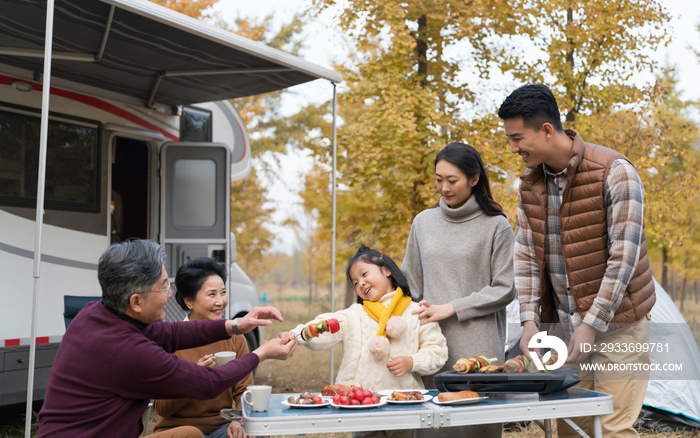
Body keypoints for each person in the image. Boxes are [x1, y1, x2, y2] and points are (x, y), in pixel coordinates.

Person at [498, 84, 655, 438]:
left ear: (547, 130)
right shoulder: (528, 185)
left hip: (619, 324)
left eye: (518, 138)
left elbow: (623, 259)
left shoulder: (614, 171)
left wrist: (591, 324)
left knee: (612, 429)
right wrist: (528, 321)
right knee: (573, 427)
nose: (513, 148)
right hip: (567, 327)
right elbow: (524, 255)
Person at [38, 239, 297, 438]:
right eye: (163, 286)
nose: (170, 293)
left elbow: (172, 333)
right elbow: (206, 383)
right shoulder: (127, 351)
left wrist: (237, 325)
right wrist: (261, 353)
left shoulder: (97, 313)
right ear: (136, 301)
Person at [401, 142, 516, 438]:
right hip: (430, 345)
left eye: (452, 180)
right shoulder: (423, 223)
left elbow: (505, 289)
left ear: (474, 179)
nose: (444, 188)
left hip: (478, 349)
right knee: (432, 425)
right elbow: (409, 283)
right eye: (439, 180)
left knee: (475, 427)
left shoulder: (496, 226)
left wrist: (451, 307)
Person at [281, 245, 448, 438]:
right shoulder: (354, 315)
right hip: (360, 405)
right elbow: (324, 326)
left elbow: (437, 350)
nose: (360, 283)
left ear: (386, 270)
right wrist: (297, 334)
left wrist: (412, 362)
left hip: (404, 407)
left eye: (364, 274)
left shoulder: (415, 312)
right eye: (355, 282)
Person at [153, 258, 251, 438]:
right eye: (211, 294)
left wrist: (239, 421)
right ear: (189, 301)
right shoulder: (169, 342)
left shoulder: (235, 339)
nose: (220, 301)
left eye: (223, 292)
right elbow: (162, 409)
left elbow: (244, 391)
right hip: (180, 431)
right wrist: (193, 378)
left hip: (222, 428)